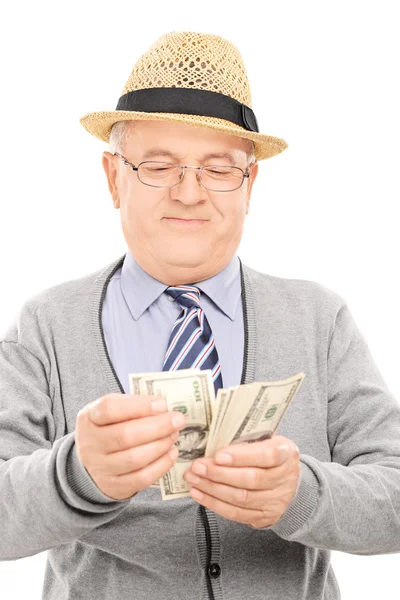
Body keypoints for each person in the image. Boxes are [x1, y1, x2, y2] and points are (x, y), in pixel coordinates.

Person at [1, 30, 400, 600]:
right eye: (158, 166)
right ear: (114, 178)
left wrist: (303, 493)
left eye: (217, 169)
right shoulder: (46, 326)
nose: (189, 194)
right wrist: (76, 476)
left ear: (249, 183)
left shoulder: (320, 319)